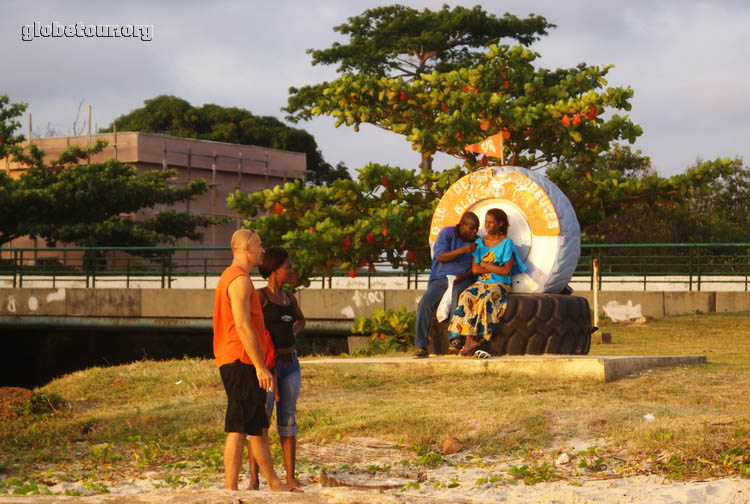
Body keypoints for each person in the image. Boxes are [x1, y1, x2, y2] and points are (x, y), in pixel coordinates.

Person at [212, 228, 294, 492]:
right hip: (240, 359)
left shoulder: (233, 277)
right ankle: (230, 488)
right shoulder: (239, 280)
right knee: (238, 425)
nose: (262, 250)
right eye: (259, 246)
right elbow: (243, 326)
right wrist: (260, 366)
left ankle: (273, 482)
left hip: (240, 358)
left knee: (255, 424)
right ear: (247, 248)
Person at [248, 247, 305, 489]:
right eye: (287, 267)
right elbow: (252, 329)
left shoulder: (289, 298)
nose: (291, 271)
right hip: (268, 367)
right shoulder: (260, 298)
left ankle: (290, 476)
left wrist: (293, 330)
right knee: (261, 421)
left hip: (290, 363)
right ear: (273, 271)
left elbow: (301, 320)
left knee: (289, 419)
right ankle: (254, 479)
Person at [448, 208, 527, 356]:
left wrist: (485, 265)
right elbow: (475, 269)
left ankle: (481, 340)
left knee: (486, 298)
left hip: (500, 284)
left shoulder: (506, 243)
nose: (488, 225)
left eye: (491, 222)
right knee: (466, 296)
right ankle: (469, 340)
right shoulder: (479, 242)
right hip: (480, 283)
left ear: (500, 224)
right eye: (486, 222)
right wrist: (492, 267)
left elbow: (505, 271)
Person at [413, 211, 480, 358]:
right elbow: (441, 256)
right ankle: (420, 346)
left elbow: (475, 268)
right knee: (425, 303)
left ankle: (455, 339)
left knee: (458, 294)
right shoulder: (447, 233)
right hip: (441, 278)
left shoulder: (477, 241)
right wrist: (463, 250)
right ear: (462, 225)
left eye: (476, 228)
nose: (474, 231)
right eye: (471, 228)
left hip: (463, 279)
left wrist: (463, 276)